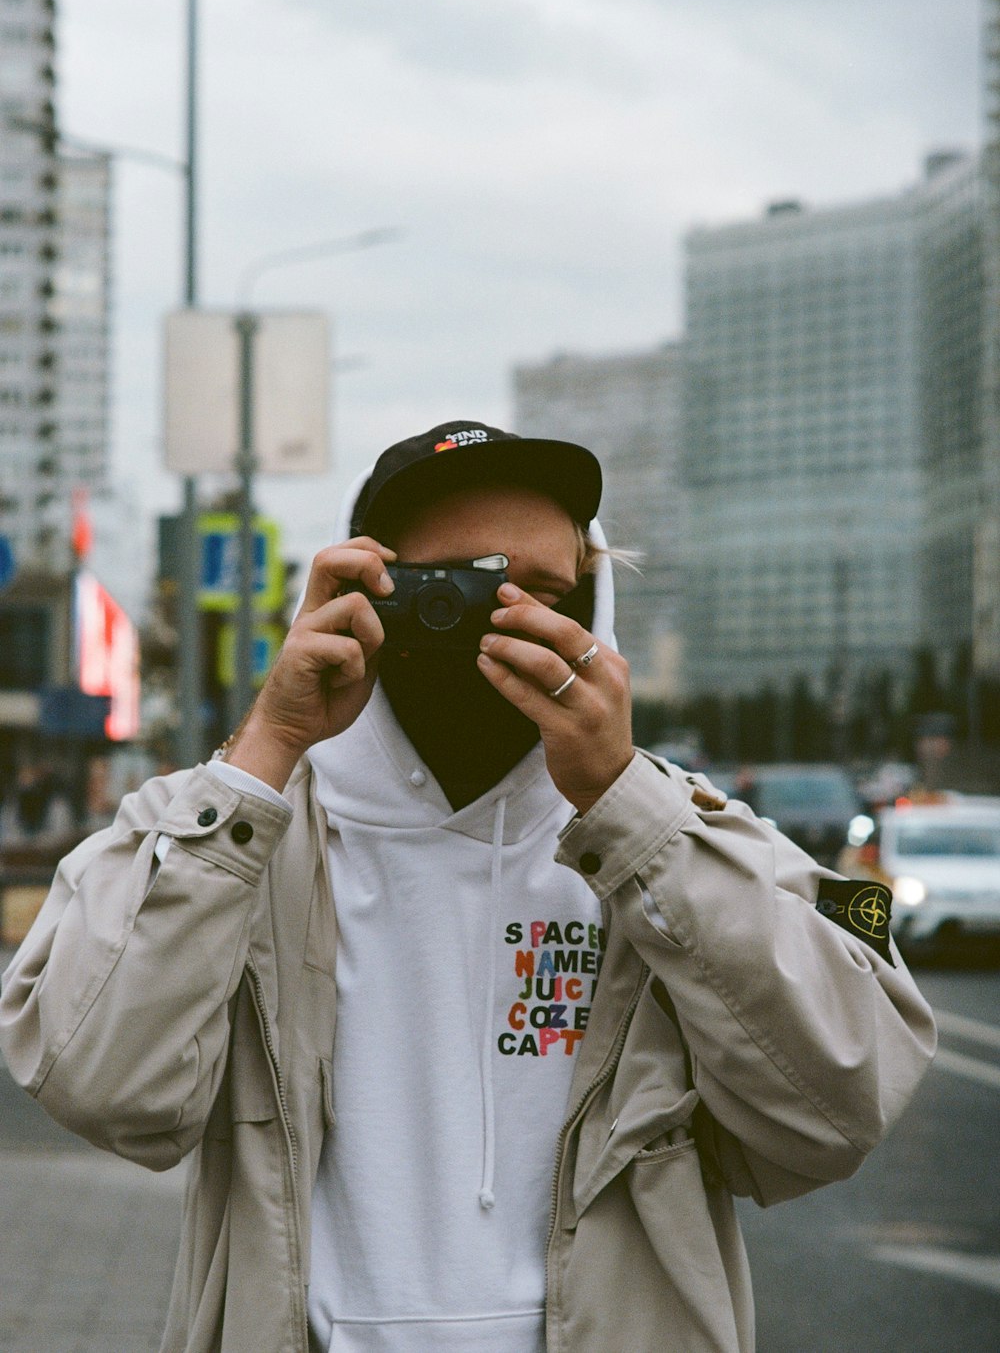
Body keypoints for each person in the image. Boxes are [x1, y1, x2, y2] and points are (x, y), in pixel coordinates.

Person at [0, 420, 936, 1353]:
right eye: (447, 589)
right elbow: (95, 1082)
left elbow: (845, 1099)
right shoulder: (232, 828)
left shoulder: (683, 838)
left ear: (596, 617)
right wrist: (267, 749)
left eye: (538, 595)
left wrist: (632, 814)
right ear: (357, 594)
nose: (493, 620)